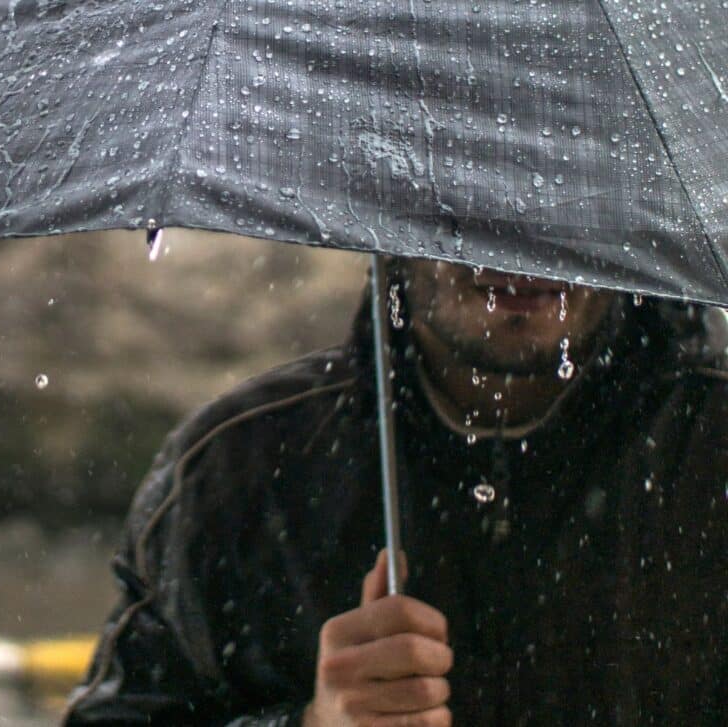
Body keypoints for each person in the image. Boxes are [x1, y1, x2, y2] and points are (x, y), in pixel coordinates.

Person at [62, 259, 728, 726]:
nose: (520, 247)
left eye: (560, 187)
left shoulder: (712, 447)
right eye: (468, 193)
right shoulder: (236, 473)